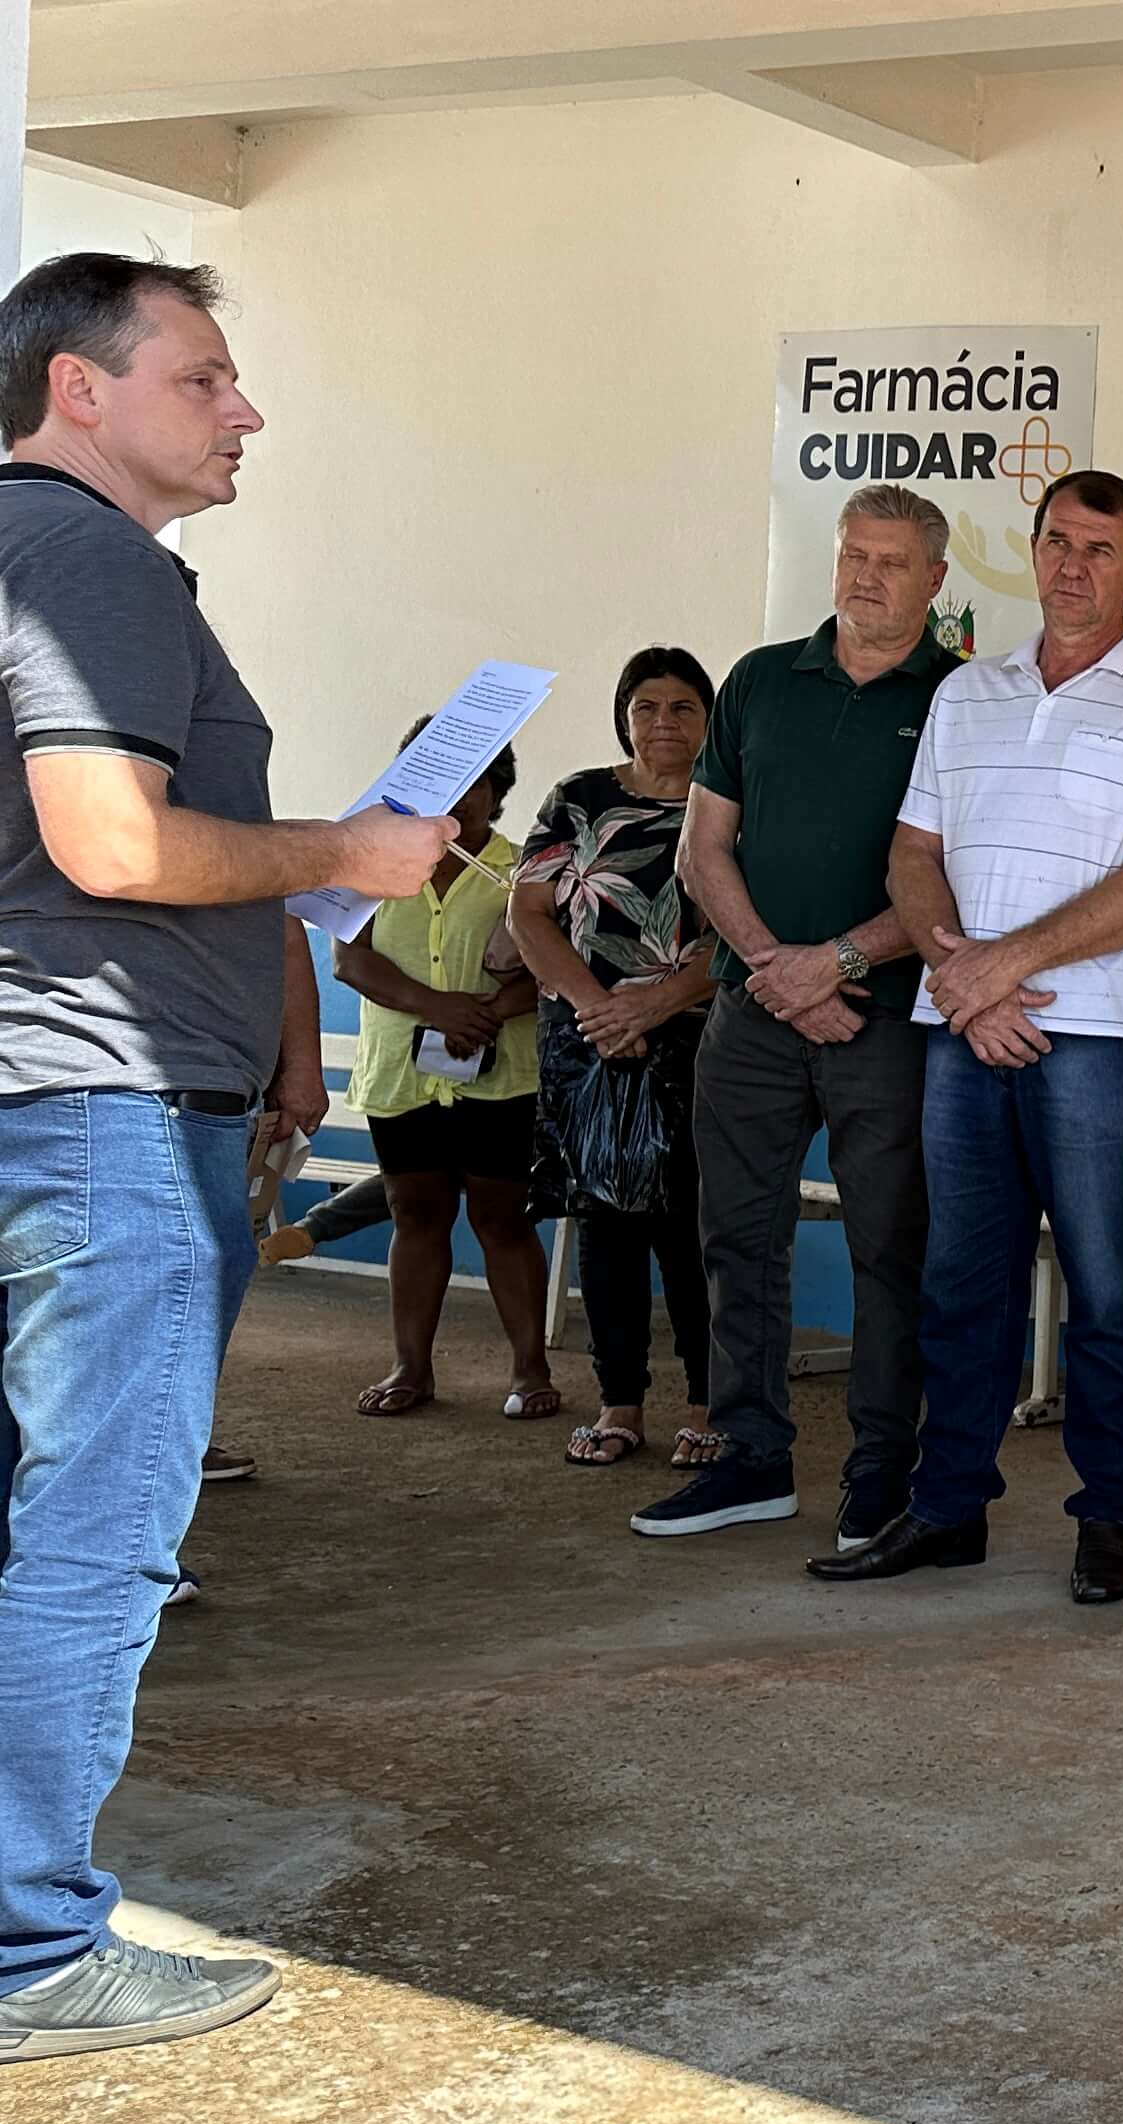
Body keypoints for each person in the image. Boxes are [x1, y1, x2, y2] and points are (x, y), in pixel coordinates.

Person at [0, 252, 447, 2065]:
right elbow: (113, 843)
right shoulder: (88, 557)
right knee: (94, 1531)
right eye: (203, 376)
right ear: (79, 389)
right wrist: (341, 847)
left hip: (41, 1087)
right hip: (97, 1104)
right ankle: (28, 1945)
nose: (244, 408)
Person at [818, 469, 1123, 1608]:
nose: (1071, 565)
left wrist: (999, 968)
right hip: (963, 1029)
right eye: (1056, 541)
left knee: (1106, 1286)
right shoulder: (969, 693)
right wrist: (968, 983)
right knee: (962, 1282)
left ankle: (1109, 1517)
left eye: (1099, 549)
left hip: (1098, 1038)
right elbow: (913, 854)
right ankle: (949, 1506)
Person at [643, 487, 963, 1546]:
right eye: (853, 555)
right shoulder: (759, 680)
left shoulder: (965, 699)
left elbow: (960, 877)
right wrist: (775, 971)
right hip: (752, 1014)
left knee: (890, 1250)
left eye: (892, 561)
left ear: (935, 580)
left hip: (891, 1019)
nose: (866, 576)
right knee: (735, 1238)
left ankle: (881, 1472)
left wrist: (833, 965)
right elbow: (703, 849)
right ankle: (749, 1457)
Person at [509, 648, 720, 1470]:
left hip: (692, 1038)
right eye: (646, 707)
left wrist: (654, 1005)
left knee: (691, 1226)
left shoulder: (732, 801)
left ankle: (707, 1405)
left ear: (709, 719)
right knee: (605, 1225)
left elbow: (746, 930)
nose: (664, 722)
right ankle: (618, 1403)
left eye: (683, 707)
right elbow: (530, 915)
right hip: (587, 1036)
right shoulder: (579, 798)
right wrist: (599, 1010)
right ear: (624, 718)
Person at [331, 737, 559, 1422]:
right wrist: (440, 1008)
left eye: (478, 781)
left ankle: (531, 1370)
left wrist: (485, 1015)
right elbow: (350, 961)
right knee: (415, 1212)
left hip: (503, 1074)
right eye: (447, 780)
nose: (461, 797)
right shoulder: (374, 861)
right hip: (402, 1073)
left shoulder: (526, 871)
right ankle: (411, 1368)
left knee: (502, 1217)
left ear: (500, 790)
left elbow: (558, 966)